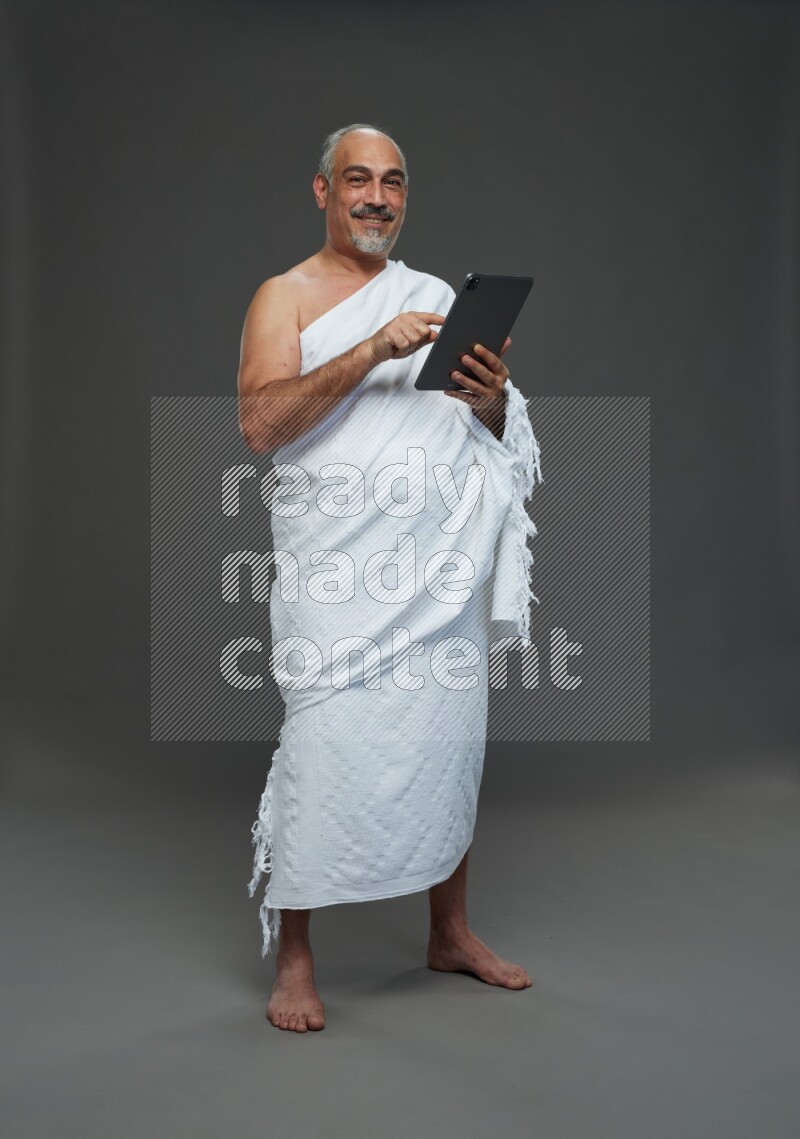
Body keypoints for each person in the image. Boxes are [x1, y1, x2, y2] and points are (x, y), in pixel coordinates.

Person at [237, 123, 542, 1032]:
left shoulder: (438, 297)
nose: (378, 197)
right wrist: (374, 350)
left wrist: (489, 401)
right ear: (323, 190)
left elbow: (485, 435)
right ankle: (295, 956)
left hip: (434, 577)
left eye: (394, 183)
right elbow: (260, 425)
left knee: (445, 738)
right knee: (320, 746)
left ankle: (449, 930)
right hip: (338, 579)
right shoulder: (282, 297)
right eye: (358, 179)